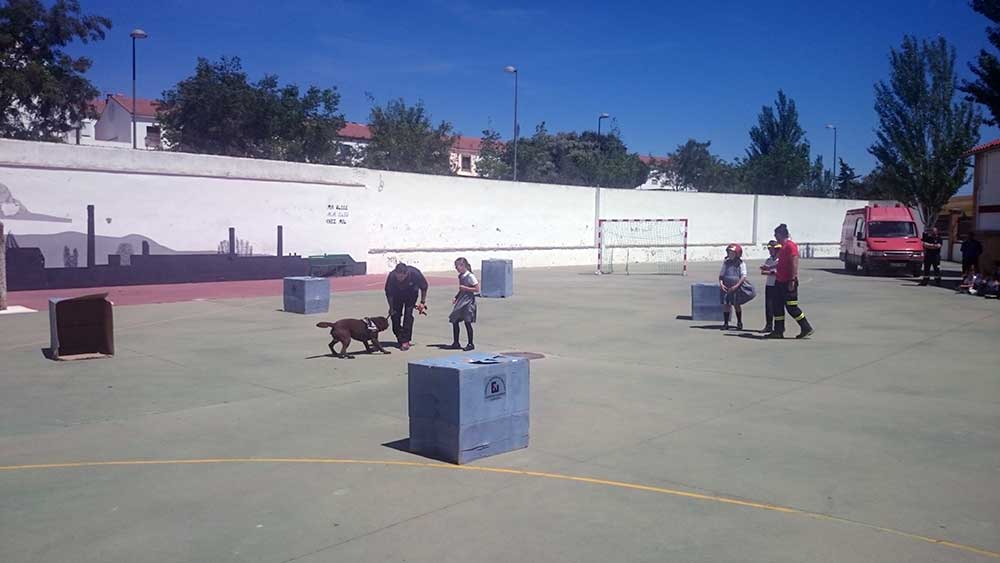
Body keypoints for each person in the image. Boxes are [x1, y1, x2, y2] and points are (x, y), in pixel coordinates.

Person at [766, 224, 814, 339]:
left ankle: (806, 327)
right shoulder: (782, 247)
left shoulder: (790, 246)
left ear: (780, 235)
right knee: (777, 306)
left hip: (788, 282)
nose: (775, 237)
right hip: (779, 281)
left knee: (791, 307)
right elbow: (781, 263)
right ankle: (778, 331)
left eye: (776, 234)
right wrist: (769, 268)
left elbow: (794, 262)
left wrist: (792, 280)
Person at [384, 262, 428, 351]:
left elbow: (424, 287)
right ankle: (400, 337)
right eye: (398, 276)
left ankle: (405, 340)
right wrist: (391, 308)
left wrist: (422, 302)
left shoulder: (415, 273)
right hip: (397, 296)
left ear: (406, 273)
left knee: (408, 316)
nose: (399, 279)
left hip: (411, 295)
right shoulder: (392, 276)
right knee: (395, 317)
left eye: (401, 277)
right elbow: (388, 293)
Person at [447, 257, 479, 351]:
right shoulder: (461, 276)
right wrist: (456, 297)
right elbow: (461, 289)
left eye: (457, 266)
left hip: (468, 301)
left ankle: (470, 343)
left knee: (467, 322)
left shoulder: (470, 276)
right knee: (454, 320)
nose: (456, 268)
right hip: (461, 300)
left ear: (463, 266)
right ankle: (456, 342)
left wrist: (466, 288)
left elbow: (477, 289)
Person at [719, 243, 748, 330]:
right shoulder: (726, 263)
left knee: (736, 304)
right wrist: (721, 283)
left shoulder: (741, 264)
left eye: (732, 253)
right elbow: (721, 274)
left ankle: (739, 322)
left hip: (736, 287)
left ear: (738, 254)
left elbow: (743, 276)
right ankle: (726, 323)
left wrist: (736, 286)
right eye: (729, 253)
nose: (730, 255)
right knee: (726, 304)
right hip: (726, 286)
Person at [760, 240, 781, 333]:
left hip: (777, 285)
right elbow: (764, 271)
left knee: (777, 306)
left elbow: (778, 273)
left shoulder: (780, 260)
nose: (770, 251)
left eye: (771, 249)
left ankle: (778, 327)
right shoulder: (769, 260)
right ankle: (768, 325)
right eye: (769, 249)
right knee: (768, 306)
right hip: (769, 285)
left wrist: (769, 271)